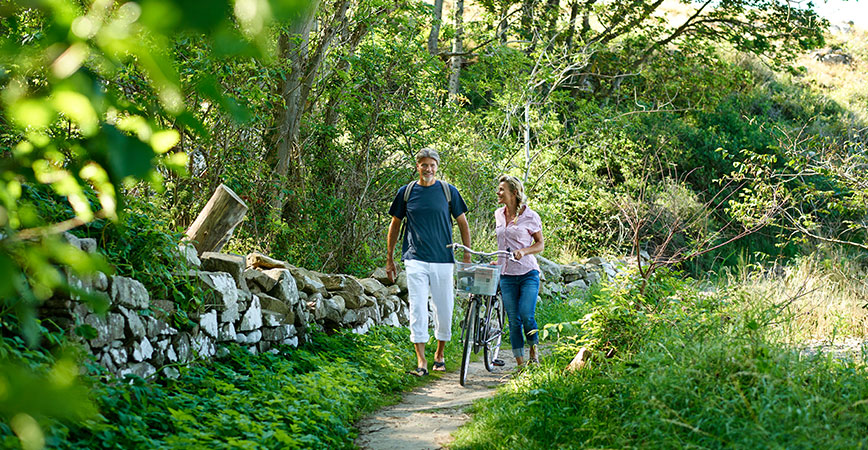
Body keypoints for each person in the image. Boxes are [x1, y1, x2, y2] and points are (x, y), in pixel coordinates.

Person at [386, 148, 471, 377]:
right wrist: (390, 257)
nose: (428, 169)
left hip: (443, 259)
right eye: (424, 165)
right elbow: (395, 225)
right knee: (417, 308)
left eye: (432, 165)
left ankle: (439, 355)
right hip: (415, 259)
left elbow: (463, 222)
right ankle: (421, 361)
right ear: (417, 166)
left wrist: (466, 254)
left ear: (437, 166)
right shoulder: (407, 192)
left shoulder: (448, 191)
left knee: (444, 308)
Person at [495, 174, 544, 366]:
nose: (498, 193)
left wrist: (523, 251)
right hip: (506, 275)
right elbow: (502, 242)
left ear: (514, 193)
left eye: (502, 190)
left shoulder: (531, 216)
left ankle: (534, 354)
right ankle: (520, 365)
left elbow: (540, 245)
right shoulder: (498, 214)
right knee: (513, 322)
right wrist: (497, 261)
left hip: (527, 274)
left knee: (526, 315)